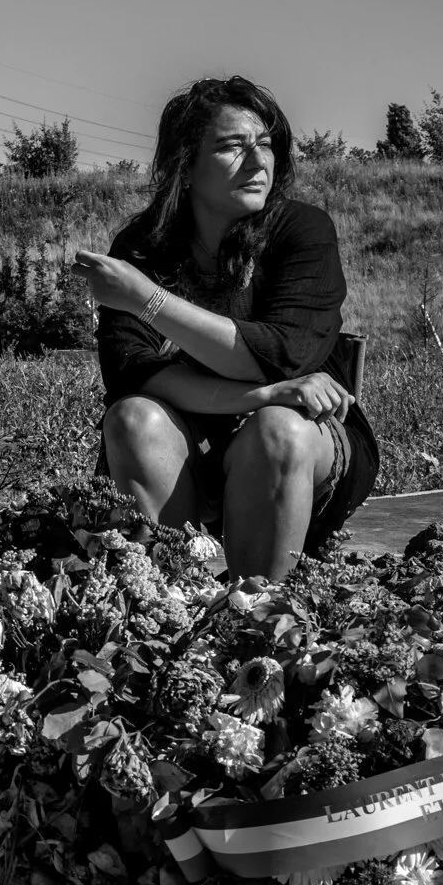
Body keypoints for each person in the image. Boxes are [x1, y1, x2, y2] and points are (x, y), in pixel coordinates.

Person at [69, 76, 377, 583]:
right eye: (234, 146)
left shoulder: (303, 230)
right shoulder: (144, 246)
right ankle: (164, 607)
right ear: (185, 165)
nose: (259, 163)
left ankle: (261, 620)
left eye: (267, 145)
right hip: (192, 441)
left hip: (303, 444)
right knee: (132, 420)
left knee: (275, 429)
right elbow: (132, 374)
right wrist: (265, 393)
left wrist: (147, 299)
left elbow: (281, 356)